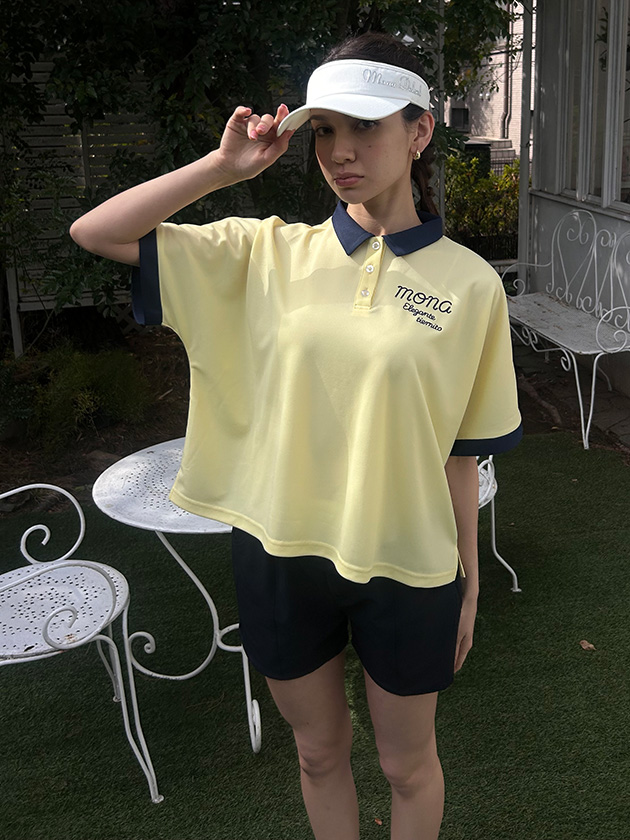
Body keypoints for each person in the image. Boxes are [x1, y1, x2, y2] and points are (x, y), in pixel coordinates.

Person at [71, 32, 521, 840]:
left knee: (407, 767)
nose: (340, 151)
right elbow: (96, 231)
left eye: (365, 127)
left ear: (420, 132)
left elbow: (462, 451)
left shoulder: (473, 285)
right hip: (279, 552)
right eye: (325, 131)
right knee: (317, 755)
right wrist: (222, 170)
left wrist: (470, 577)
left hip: (408, 562)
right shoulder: (263, 252)